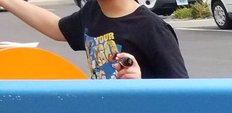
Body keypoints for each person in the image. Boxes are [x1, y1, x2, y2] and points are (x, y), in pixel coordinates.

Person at [0, 0, 187, 79]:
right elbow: (57, 28)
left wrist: (140, 80)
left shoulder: (153, 28)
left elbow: (182, 95)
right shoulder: (92, 12)